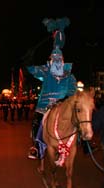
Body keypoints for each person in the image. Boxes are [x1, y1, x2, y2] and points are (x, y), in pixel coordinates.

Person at [26, 18, 77, 172]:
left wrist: (65, 99)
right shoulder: (45, 71)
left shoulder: (69, 74)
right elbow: (31, 69)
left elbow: (73, 91)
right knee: (37, 122)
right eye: (53, 58)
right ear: (50, 59)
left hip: (63, 105)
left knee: (79, 120)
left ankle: (87, 144)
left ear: (62, 59)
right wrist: (29, 58)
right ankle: (35, 146)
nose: (56, 60)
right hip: (45, 106)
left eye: (59, 58)